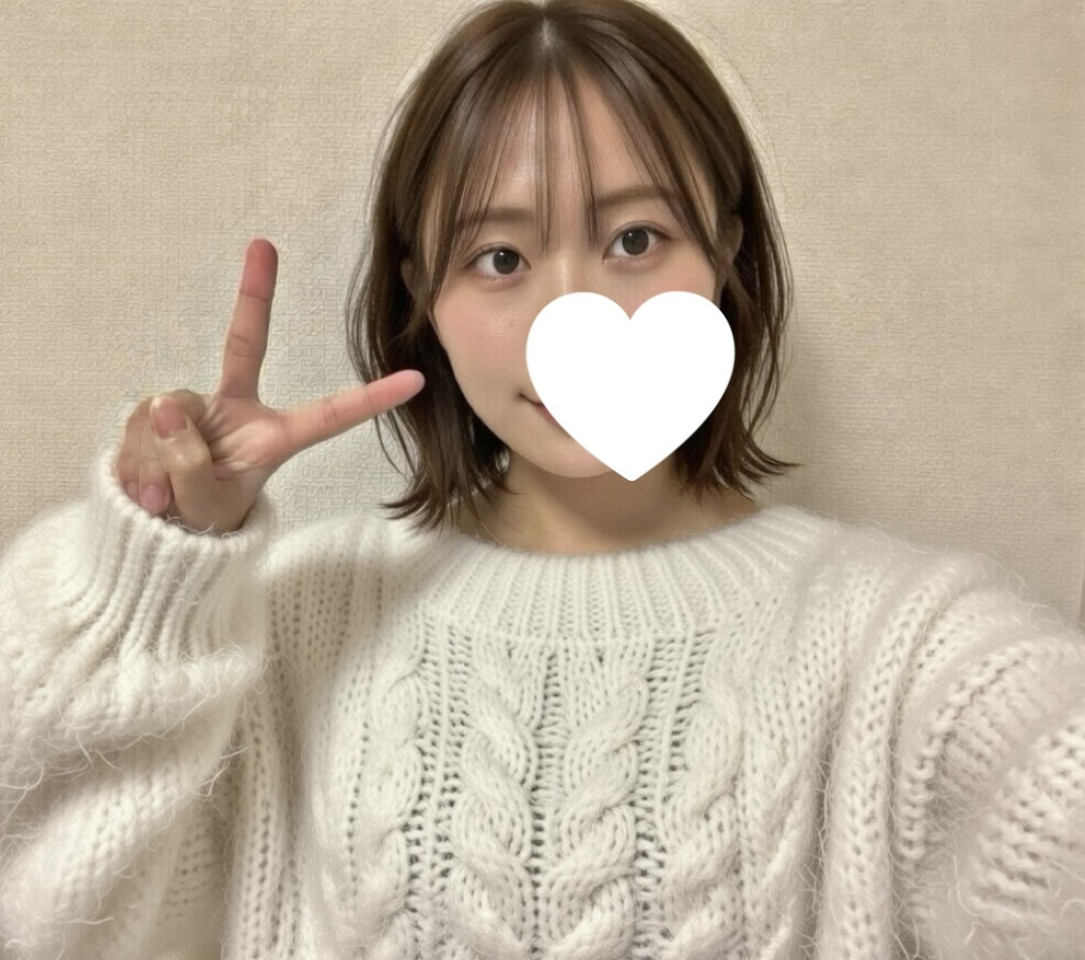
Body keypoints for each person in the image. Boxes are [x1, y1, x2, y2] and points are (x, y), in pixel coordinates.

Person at [1, 0, 1082, 957]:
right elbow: (52, 910)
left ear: (724, 252)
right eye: (501, 259)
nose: (574, 314)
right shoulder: (285, 627)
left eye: (635, 239)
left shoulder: (897, 646)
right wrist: (153, 584)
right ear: (422, 292)